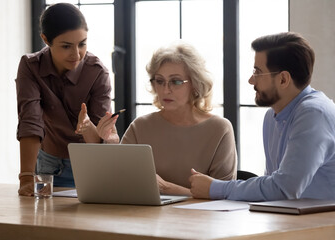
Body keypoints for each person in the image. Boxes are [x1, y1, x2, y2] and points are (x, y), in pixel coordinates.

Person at [77, 41, 237, 196]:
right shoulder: (140, 127)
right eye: (160, 81)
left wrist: (166, 188)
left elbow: (223, 197)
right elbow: (115, 184)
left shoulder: (219, 129)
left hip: (200, 221)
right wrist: (111, 144)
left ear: (195, 84)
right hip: (145, 220)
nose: (166, 90)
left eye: (176, 81)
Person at [189, 32, 335, 201]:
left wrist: (215, 188)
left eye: (257, 72)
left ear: (283, 79)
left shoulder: (314, 114)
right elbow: (274, 186)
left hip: (324, 225)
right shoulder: (272, 116)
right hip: (293, 221)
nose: (251, 80)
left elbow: (283, 189)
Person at [16, 3, 118, 196]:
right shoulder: (30, 67)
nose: (76, 54)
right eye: (66, 46)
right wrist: (26, 177)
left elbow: (101, 142)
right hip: (48, 166)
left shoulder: (97, 72)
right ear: (46, 40)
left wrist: (89, 127)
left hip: (89, 166)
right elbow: (30, 122)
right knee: (42, 222)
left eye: (82, 43)